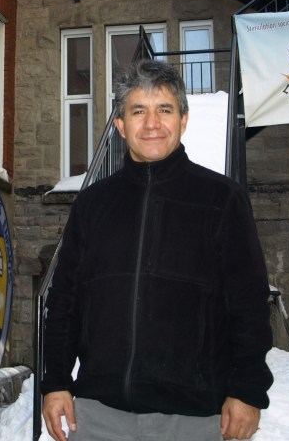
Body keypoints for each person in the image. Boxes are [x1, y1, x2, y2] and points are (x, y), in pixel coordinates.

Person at [41, 59, 274, 441]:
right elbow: (64, 301)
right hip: (99, 416)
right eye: (138, 111)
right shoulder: (93, 204)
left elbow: (248, 304)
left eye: (164, 110)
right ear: (120, 125)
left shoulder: (223, 199)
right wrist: (55, 382)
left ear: (183, 120)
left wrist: (247, 390)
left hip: (192, 418)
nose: (151, 124)